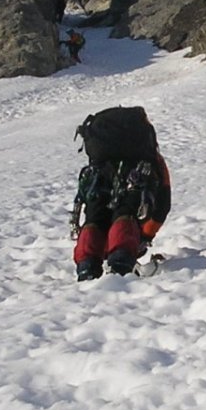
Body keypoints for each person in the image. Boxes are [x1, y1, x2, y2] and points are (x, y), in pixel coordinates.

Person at [70, 106, 172, 280]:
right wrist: (146, 235)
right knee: (125, 213)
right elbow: (163, 201)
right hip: (135, 177)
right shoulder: (149, 158)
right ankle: (121, 266)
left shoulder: (98, 163)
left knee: (95, 217)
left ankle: (86, 267)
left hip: (100, 177)